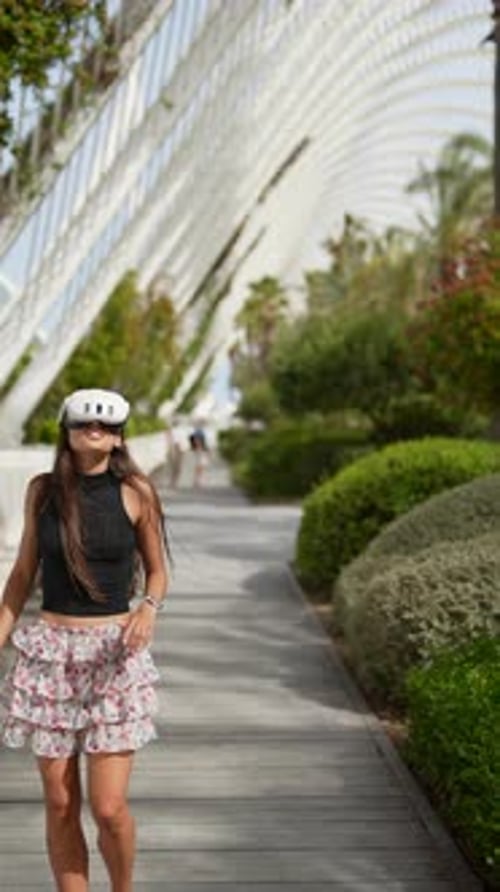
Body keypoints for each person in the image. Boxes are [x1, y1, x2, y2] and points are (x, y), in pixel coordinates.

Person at [0, 387, 169, 892]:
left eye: (106, 427)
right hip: (51, 658)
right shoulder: (42, 491)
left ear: (119, 438)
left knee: (109, 807)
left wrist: (148, 608)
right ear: (67, 433)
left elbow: (158, 572)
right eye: (83, 425)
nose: (94, 433)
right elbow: (23, 572)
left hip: (115, 657)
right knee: (59, 802)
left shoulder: (137, 491)